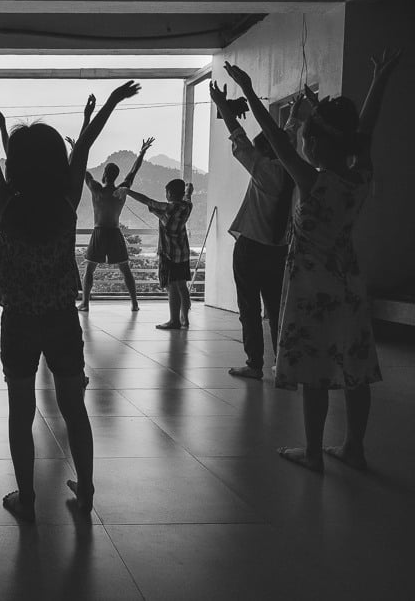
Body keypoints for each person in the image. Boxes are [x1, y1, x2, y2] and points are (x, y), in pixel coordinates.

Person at [0, 80, 141, 521]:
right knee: (73, 407)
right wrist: (110, 102)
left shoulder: (8, 203)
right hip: (63, 319)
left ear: (17, 165)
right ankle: (85, 490)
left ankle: (26, 496)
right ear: (55, 162)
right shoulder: (68, 203)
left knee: (20, 409)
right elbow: (84, 144)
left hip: (20, 322)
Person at [225, 51, 398, 473]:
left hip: (310, 286)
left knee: (314, 371)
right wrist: (379, 81)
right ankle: (353, 447)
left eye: (306, 135)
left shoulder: (312, 179)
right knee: (354, 368)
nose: (300, 140)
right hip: (348, 280)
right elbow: (365, 132)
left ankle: (314, 452)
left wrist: (248, 89)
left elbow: (277, 140)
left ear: (316, 144)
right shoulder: (359, 176)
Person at [209, 81, 295, 380]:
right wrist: (295, 113)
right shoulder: (295, 172)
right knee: (275, 310)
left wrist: (221, 104)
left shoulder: (265, 171)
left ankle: (254, 364)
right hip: (278, 250)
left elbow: (238, 137)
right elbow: (285, 137)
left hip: (251, 248)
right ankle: (283, 365)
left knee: (249, 307)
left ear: (267, 148)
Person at [78, 136, 154, 312]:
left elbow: (83, 171)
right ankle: (134, 303)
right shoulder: (121, 190)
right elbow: (133, 172)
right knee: (125, 269)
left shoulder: (96, 189)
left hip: (99, 232)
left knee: (89, 269)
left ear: (104, 174)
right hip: (114, 232)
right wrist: (142, 153)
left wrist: (78, 150)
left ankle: (85, 303)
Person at [125, 179, 193, 330]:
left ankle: (174, 321)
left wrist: (127, 191)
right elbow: (187, 198)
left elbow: (147, 200)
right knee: (182, 285)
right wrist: (188, 191)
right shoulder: (187, 206)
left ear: (169, 193)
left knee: (171, 286)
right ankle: (185, 319)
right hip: (183, 254)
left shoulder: (167, 208)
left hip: (168, 254)